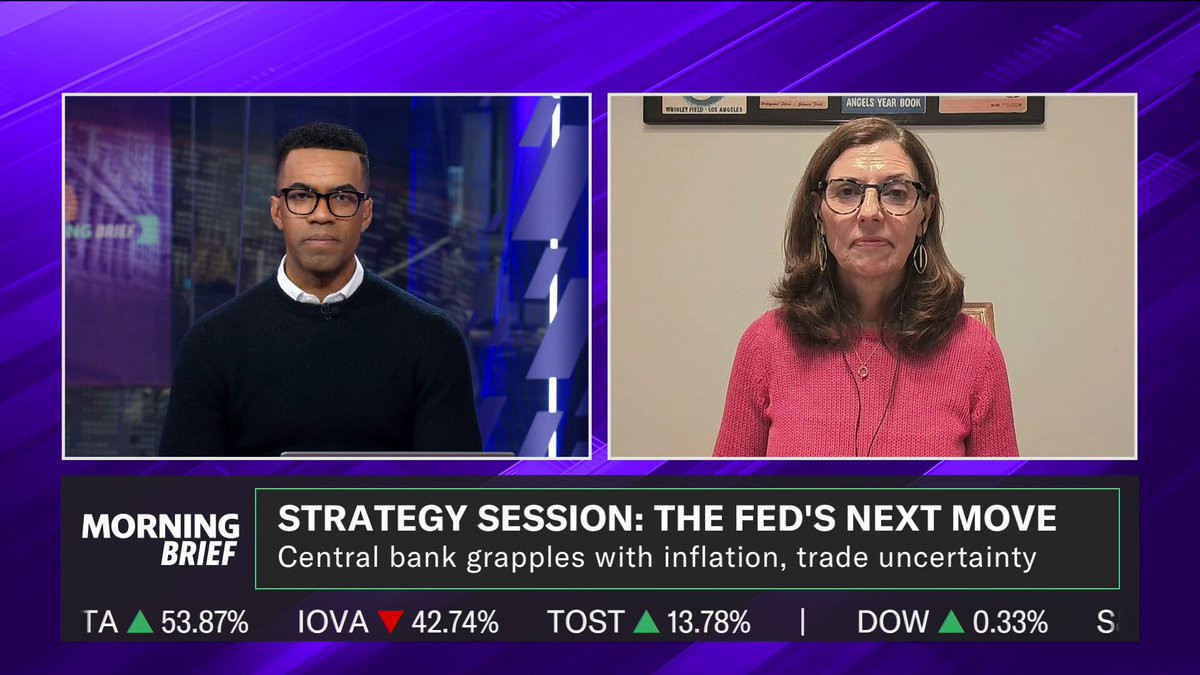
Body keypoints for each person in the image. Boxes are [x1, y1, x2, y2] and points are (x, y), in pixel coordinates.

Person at [160, 122, 482, 456]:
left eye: (341, 198)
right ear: (277, 211)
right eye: (302, 196)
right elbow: (183, 485)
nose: (322, 215)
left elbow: (454, 485)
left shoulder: (432, 339)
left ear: (366, 214)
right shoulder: (212, 343)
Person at [713, 117, 1018, 458]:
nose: (870, 213)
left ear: (924, 215)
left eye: (896, 193)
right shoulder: (765, 345)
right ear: (818, 213)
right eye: (847, 191)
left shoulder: (975, 353)